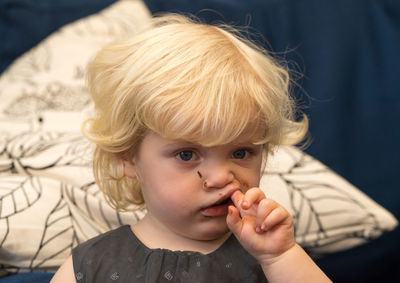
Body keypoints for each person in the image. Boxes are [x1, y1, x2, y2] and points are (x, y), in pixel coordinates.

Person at [51, 13, 331, 283]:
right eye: (187, 155)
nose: (221, 177)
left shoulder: (272, 259)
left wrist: (281, 257)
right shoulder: (91, 265)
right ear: (128, 157)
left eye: (241, 153)